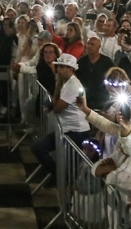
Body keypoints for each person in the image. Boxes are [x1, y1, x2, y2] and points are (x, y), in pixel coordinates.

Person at [30, 53, 91, 187]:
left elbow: (58, 108)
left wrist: (53, 103)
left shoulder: (72, 85)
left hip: (76, 132)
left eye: (63, 67)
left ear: (71, 69)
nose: (59, 70)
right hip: (67, 129)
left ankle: (64, 186)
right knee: (38, 147)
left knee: (71, 167)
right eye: (59, 67)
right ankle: (59, 177)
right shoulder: (65, 83)